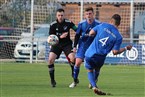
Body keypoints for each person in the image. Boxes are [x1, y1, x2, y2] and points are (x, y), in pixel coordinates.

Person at [84, 14, 132, 95]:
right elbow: (115, 52)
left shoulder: (103, 25)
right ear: (119, 24)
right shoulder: (119, 37)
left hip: (90, 53)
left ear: (111, 21)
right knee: (97, 69)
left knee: (89, 70)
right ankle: (93, 82)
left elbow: (91, 32)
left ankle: (94, 86)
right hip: (100, 57)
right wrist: (126, 48)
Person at [69, 7, 101, 88]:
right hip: (83, 46)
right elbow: (77, 35)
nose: (88, 15)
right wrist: (75, 46)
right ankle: (75, 81)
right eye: (87, 14)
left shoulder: (98, 24)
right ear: (85, 15)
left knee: (96, 66)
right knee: (77, 63)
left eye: (90, 14)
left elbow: (101, 36)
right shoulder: (81, 24)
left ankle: (94, 80)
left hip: (94, 48)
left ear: (93, 14)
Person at [48, 8, 77, 87]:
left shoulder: (68, 23)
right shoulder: (53, 25)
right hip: (56, 44)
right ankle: (52, 80)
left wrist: (81, 32)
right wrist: (60, 37)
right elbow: (50, 37)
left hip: (67, 44)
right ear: (56, 16)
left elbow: (76, 29)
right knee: (50, 59)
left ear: (64, 15)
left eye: (61, 15)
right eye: (59, 15)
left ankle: (73, 75)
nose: (60, 17)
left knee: (72, 58)